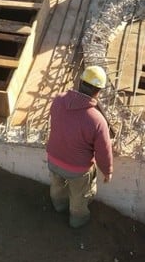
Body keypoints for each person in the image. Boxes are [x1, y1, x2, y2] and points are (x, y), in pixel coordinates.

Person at [46, 65, 113, 229]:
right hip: (77, 169)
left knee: (57, 187)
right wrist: (107, 171)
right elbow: (103, 152)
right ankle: (77, 221)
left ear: (80, 81)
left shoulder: (58, 100)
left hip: (53, 159)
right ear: (98, 91)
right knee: (79, 197)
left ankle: (58, 206)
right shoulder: (97, 120)